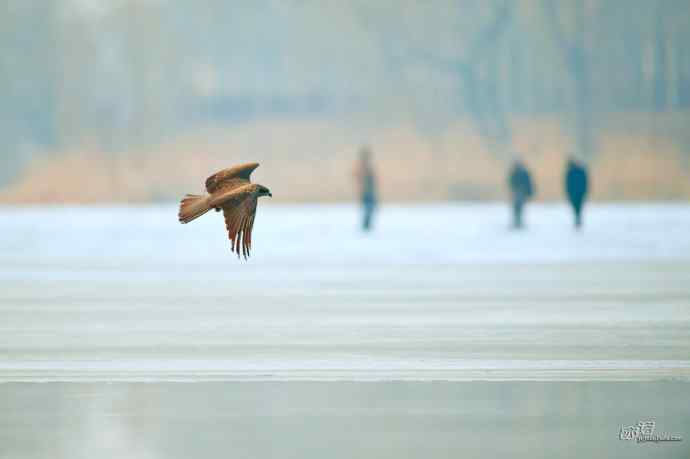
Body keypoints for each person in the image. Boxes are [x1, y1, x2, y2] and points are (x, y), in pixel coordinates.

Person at [353, 146, 378, 231]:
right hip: (366, 192)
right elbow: (358, 178)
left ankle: (366, 226)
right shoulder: (362, 167)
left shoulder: (367, 167)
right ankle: (366, 227)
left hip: (369, 192)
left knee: (370, 210)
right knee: (368, 209)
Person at [507, 159, 534, 229]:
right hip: (518, 192)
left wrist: (529, 192)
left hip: (521, 192)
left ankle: (518, 222)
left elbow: (528, 183)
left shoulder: (521, 172)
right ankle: (517, 222)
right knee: (517, 208)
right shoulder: (516, 172)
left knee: (518, 208)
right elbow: (510, 183)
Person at [564, 157, 589, 229]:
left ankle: (577, 219)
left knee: (576, 207)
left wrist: (568, 192)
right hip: (579, 193)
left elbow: (567, 184)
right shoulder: (580, 171)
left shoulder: (571, 172)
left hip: (575, 193)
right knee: (578, 207)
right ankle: (578, 219)